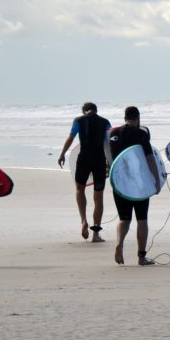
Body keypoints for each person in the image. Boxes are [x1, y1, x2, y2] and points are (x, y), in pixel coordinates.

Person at [106, 106, 162, 266]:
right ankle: (141, 257)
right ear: (137, 118)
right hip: (139, 183)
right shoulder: (141, 134)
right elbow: (150, 158)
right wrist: (157, 180)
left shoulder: (113, 134)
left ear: (125, 117)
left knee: (124, 219)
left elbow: (112, 158)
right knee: (142, 219)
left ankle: (119, 244)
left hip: (119, 182)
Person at [57, 102, 111, 242]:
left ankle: (83, 221)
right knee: (98, 197)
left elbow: (71, 137)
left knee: (80, 190)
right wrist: (112, 163)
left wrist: (62, 154)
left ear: (84, 111)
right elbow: (109, 143)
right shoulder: (105, 122)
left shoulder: (79, 121)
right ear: (96, 110)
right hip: (99, 161)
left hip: (83, 160)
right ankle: (96, 234)